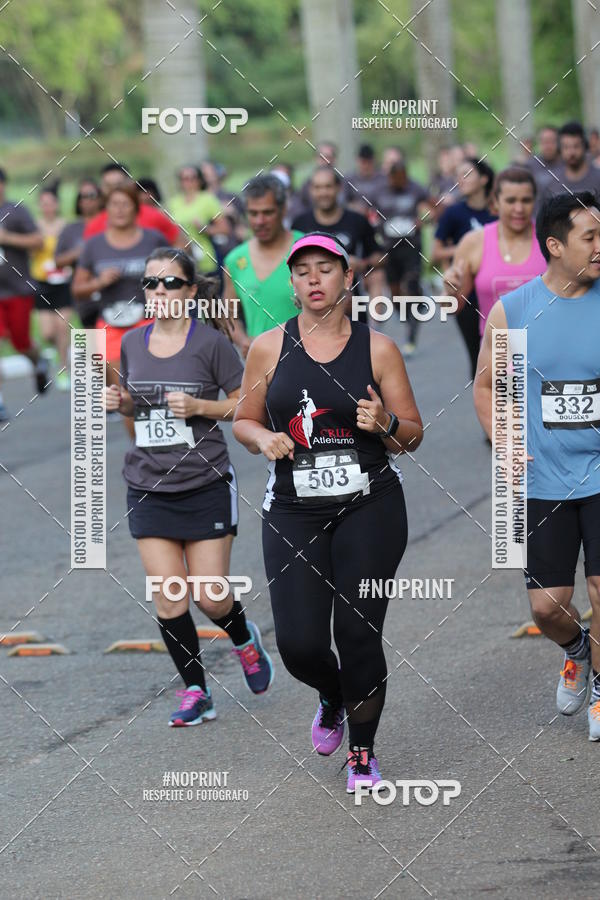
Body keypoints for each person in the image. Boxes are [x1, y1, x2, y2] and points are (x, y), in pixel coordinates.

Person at [232, 233, 423, 793]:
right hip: (293, 510)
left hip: (370, 507)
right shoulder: (268, 347)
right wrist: (262, 437)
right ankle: (333, 693)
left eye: (326, 269)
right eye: (303, 271)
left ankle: (362, 754)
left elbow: (412, 435)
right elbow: (243, 419)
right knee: (299, 644)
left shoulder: (378, 349)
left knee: (358, 631)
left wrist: (383, 424)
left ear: (346, 278)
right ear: (291, 285)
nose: (314, 279)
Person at [103, 247, 273, 726]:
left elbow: (244, 404)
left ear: (191, 291)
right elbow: (136, 416)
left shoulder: (210, 345)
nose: (159, 292)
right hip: (148, 484)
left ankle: (243, 639)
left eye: (170, 283)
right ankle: (196, 691)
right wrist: (120, 404)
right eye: (151, 284)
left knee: (211, 596)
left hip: (204, 482)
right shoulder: (132, 345)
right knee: (169, 595)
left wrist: (200, 407)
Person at [473, 192, 600, 741]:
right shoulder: (517, 310)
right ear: (555, 245)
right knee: (550, 607)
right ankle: (577, 650)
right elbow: (484, 387)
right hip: (540, 478)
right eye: (589, 237)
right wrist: (502, 437)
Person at [72, 181, 166, 411]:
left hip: (150, 321)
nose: (120, 210)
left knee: (156, 387)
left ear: (136, 208)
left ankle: (164, 441)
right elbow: (77, 289)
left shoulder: (153, 239)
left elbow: (177, 270)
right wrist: (98, 282)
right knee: (124, 395)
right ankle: (139, 446)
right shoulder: (94, 245)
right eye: (115, 204)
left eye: (126, 204)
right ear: (106, 210)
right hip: (112, 325)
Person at [443, 167, 546, 340]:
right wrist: (448, 291)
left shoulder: (549, 239)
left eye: (526, 200)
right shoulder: (474, 242)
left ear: (534, 202)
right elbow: (452, 308)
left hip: (546, 347)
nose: (519, 208)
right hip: (499, 350)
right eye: (511, 201)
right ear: (495, 202)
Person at [223, 174, 303, 357]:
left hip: (310, 362)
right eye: (253, 213)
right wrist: (243, 340)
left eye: (268, 212)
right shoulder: (235, 260)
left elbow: (341, 300)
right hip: (262, 368)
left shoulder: (308, 247)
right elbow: (228, 314)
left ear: (283, 210)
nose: (260, 221)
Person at [291, 165, 384, 320]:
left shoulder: (357, 221)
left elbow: (381, 257)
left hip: (351, 305)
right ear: (310, 190)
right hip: (312, 308)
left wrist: (363, 264)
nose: (323, 193)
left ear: (338, 188)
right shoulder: (300, 224)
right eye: (317, 187)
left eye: (328, 187)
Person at [432, 158, 496, 379]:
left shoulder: (499, 210)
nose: (461, 179)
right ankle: (485, 409)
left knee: (505, 357)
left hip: (498, 290)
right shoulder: (454, 213)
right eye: (458, 175)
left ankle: (512, 410)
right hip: (467, 294)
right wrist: (467, 251)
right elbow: (436, 253)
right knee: (478, 356)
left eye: (467, 173)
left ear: (484, 179)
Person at [370, 156, 433, 356]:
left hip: (412, 246)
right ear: (389, 178)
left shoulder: (416, 189)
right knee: (396, 291)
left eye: (402, 178)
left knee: (410, 286)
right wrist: (377, 226)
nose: (398, 182)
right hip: (390, 248)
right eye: (394, 178)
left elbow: (433, 207)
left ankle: (412, 335)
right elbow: (370, 213)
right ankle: (409, 311)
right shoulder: (380, 192)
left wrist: (424, 218)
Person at [0, 167, 46, 421]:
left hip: (17, 290)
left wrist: (7, 237)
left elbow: (38, 241)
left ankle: (38, 361)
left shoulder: (16, 211)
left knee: (21, 342)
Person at [30, 185, 72, 391]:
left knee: (62, 327)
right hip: (41, 282)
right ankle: (58, 353)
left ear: (57, 204)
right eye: (43, 203)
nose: (47, 207)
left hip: (63, 281)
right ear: (40, 205)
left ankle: (64, 369)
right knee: (47, 333)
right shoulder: (34, 228)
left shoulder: (66, 226)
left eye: (51, 203)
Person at [85, 168, 182, 246]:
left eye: (119, 184)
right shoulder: (94, 225)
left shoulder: (154, 215)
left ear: (131, 185)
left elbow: (181, 243)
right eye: (108, 186)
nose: (114, 190)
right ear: (101, 189)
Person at [55, 180, 103, 328]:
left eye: (91, 195)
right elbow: (57, 261)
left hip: (111, 290)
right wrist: (78, 253)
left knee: (112, 341)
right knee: (87, 343)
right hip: (83, 293)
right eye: (82, 197)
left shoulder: (112, 224)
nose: (86, 200)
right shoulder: (71, 229)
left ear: (101, 198)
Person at [540, 121, 600, 201]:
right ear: (560, 149)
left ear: (584, 147)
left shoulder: (598, 178)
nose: (571, 152)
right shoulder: (552, 184)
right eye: (566, 147)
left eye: (576, 146)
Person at [344, 144, 386, 215]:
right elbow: (341, 200)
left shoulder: (383, 179)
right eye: (363, 162)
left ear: (374, 161)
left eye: (369, 162)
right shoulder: (349, 179)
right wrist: (352, 206)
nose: (366, 166)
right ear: (357, 161)